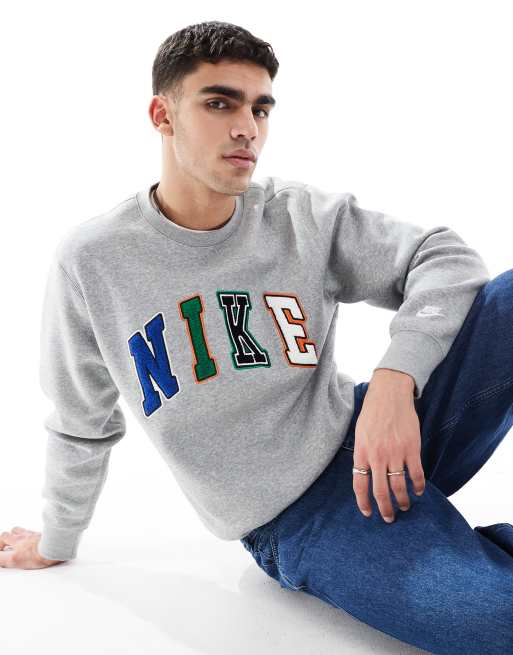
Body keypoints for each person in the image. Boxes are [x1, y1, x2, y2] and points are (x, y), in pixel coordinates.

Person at [2, 19, 512, 654]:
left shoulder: (300, 215)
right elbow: (81, 422)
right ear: (163, 115)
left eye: (260, 108)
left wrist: (394, 382)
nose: (247, 127)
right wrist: (55, 540)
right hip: (299, 518)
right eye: (220, 104)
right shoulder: (95, 260)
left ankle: (439, 543)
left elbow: (443, 257)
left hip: (382, 434)